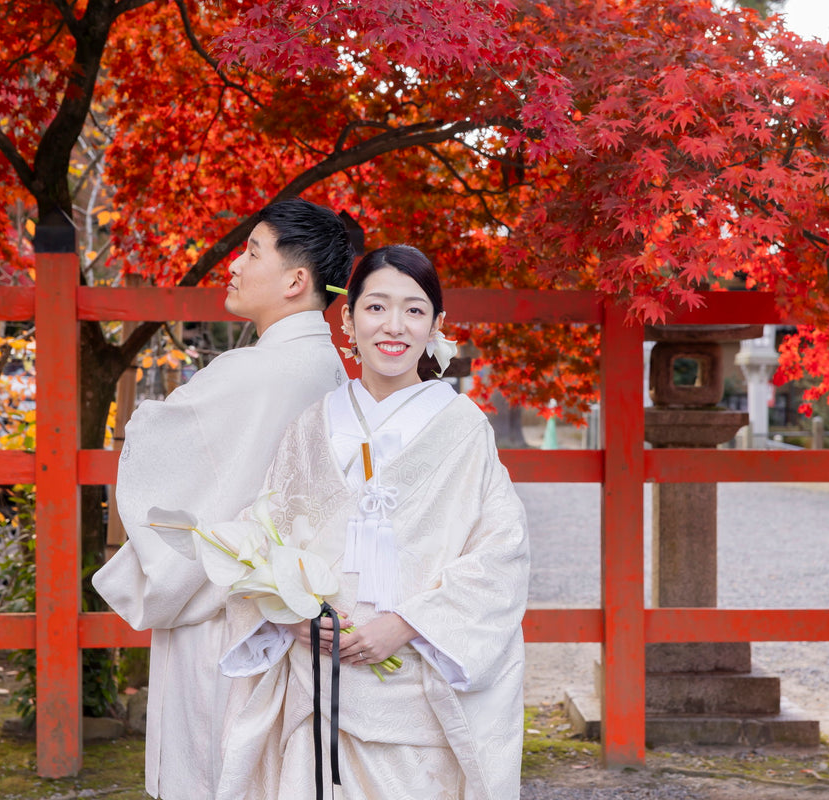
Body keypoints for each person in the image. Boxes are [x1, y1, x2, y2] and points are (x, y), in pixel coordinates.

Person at [213, 245, 530, 800]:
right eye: (376, 307)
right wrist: (292, 618)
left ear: (435, 325)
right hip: (319, 674)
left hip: (417, 678)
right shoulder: (313, 424)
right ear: (348, 318)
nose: (394, 326)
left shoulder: (462, 427)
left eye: (414, 310)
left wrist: (409, 622)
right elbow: (264, 535)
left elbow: (501, 551)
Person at [92, 198, 355, 800]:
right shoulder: (331, 370)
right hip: (289, 611)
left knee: (212, 767)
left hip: (224, 613)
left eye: (252, 251)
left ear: (296, 280)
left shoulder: (251, 373)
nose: (235, 265)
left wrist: (146, 425)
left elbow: (161, 452)